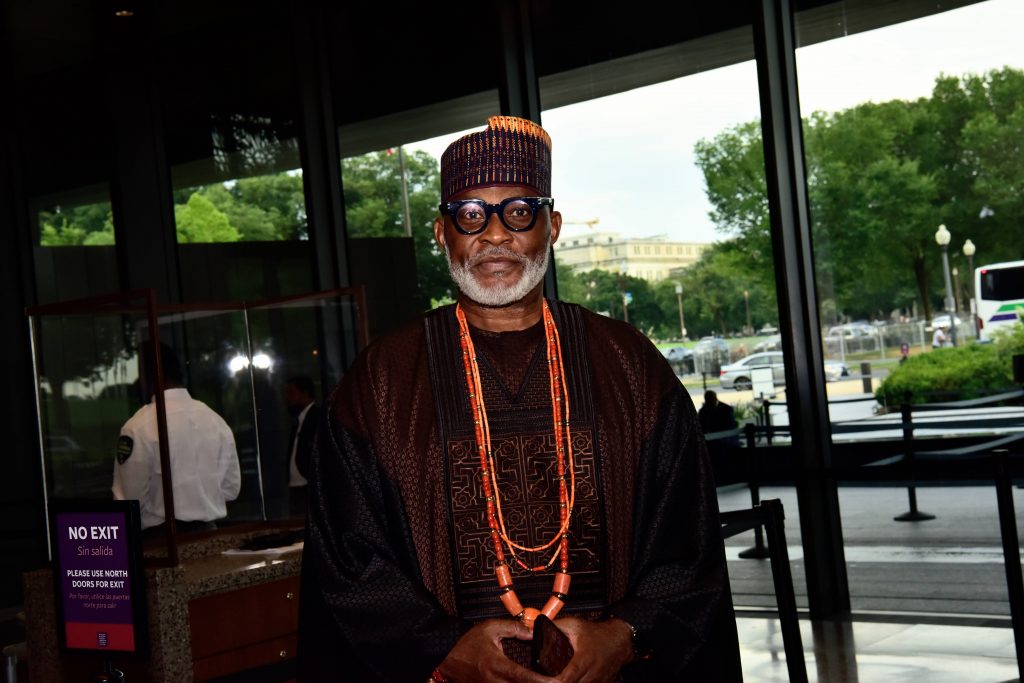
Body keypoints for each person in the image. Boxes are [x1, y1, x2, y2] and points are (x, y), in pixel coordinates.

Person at [299, 116, 737, 682]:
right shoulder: (383, 380)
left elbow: (687, 534)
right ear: (441, 233)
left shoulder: (627, 363)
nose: (496, 234)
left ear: (551, 226)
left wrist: (625, 635)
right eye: (471, 214)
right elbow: (348, 555)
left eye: (519, 212)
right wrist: (441, 649)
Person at [112, 342, 241, 534]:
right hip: (210, 534)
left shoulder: (139, 426)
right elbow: (231, 489)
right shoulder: (215, 420)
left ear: (150, 376)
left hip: (161, 540)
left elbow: (130, 500)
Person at [284, 375, 319, 519]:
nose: (288, 399)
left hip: (309, 487)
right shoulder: (298, 421)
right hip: (296, 488)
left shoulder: (317, 417)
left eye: (292, 393)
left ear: (305, 394)